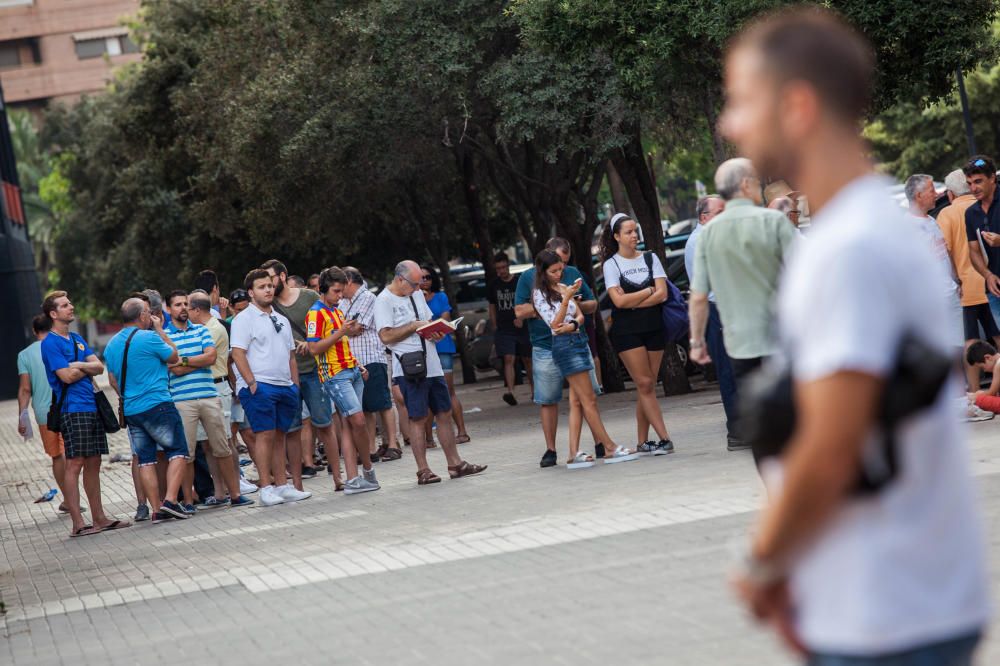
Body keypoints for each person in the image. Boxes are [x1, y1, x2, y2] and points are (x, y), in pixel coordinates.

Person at [722, 8, 989, 664]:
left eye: (741, 101)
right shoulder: (878, 230)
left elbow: (832, 444)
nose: (731, 124)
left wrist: (762, 562)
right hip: (902, 595)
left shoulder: (847, 249)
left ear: (798, 105)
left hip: (884, 612)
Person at [374, 260, 486, 485]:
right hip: (409, 367)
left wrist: (436, 332)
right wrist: (413, 326)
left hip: (432, 363)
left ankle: (455, 464)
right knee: (418, 417)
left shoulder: (415, 295)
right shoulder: (384, 300)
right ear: (399, 279)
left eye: (420, 283)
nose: (418, 288)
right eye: (415, 284)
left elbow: (426, 323)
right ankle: (423, 470)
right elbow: (385, 336)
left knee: (443, 412)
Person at [688, 158, 798, 386]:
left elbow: (698, 296)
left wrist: (697, 342)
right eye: (757, 182)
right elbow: (803, 272)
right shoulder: (774, 221)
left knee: (755, 406)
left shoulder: (707, 235)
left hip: (739, 342)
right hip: (780, 335)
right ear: (746, 185)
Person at [532, 250, 636, 467]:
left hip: (578, 340)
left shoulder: (562, 288)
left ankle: (573, 453)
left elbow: (578, 315)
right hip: (565, 346)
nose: (559, 274)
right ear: (543, 272)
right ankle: (609, 446)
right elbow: (554, 324)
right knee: (588, 398)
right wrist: (567, 300)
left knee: (578, 401)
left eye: (561, 269)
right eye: (554, 271)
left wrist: (573, 322)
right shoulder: (539, 294)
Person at [40, 291, 131, 537]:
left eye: (70, 303)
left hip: (91, 406)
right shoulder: (50, 343)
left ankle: (99, 517)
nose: (71, 307)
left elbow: (98, 366)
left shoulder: (77, 338)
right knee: (75, 463)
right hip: (72, 409)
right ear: (53, 313)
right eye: (65, 305)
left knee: (94, 461)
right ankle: (78, 523)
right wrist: (85, 367)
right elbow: (65, 377)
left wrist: (79, 365)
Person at [103, 297, 195, 522]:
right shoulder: (150, 338)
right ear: (143, 315)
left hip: (132, 410)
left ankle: (155, 509)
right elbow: (174, 355)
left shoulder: (111, 345)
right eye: (148, 313)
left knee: (145, 459)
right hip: (158, 404)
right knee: (179, 451)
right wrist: (161, 330)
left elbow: (113, 379)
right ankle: (170, 501)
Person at [515, 237, 602, 467]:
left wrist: (574, 304)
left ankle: (598, 443)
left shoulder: (572, 274)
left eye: (564, 265)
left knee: (586, 397)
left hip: (575, 342)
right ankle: (551, 449)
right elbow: (521, 311)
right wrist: (550, 304)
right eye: (556, 266)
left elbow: (591, 306)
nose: (561, 271)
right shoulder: (528, 279)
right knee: (548, 398)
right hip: (545, 345)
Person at [230, 268, 311, 507]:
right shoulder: (244, 319)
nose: (267, 290)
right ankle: (266, 487)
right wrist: (252, 383)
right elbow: (237, 353)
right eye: (261, 287)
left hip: (285, 385)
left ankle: (282, 486)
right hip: (260, 386)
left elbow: (291, 356)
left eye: (269, 285)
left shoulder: (281, 319)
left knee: (280, 436)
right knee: (264, 434)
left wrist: (294, 386)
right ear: (251, 292)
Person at [601, 213, 675, 455]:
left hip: (654, 328)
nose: (634, 236)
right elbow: (618, 302)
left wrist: (633, 300)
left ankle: (643, 442)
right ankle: (664, 438)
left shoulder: (651, 258)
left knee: (649, 386)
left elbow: (662, 294)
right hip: (627, 332)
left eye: (635, 231)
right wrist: (647, 291)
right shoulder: (611, 265)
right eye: (628, 232)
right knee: (644, 383)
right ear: (616, 236)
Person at [263, 259, 338, 483]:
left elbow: (330, 325)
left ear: (283, 276)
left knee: (325, 424)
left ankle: (339, 478)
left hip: (315, 371)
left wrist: (313, 342)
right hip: (287, 376)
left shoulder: (309, 297)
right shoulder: (267, 306)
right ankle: (297, 485)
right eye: (264, 281)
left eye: (271, 278)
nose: (268, 285)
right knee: (292, 430)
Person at [307, 266, 379, 494]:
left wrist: (356, 363)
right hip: (335, 376)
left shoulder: (336, 311)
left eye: (341, 291)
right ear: (323, 289)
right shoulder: (315, 313)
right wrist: (341, 332)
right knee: (357, 421)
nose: (340, 296)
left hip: (351, 371)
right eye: (336, 292)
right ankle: (367, 472)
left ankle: (354, 479)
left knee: (350, 425)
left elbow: (342, 344)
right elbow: (314, 347)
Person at [684, 194, 746, 451]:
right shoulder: (700, 241)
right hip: (717, 309)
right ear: (704, 217)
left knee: (740, 370)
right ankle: (737, 432)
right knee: (729, 372)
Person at [187, 291, 255, 507]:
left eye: (188, 308)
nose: (185, 312)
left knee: (225, 441)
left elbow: (202, 357)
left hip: (217, 386)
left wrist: (182, 361)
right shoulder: (201, 328)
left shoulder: (214, 328)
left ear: (197, 310)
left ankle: (236, 485)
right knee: (208, 445)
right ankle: (219, 491)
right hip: (207, 388)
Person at [939, 168, 1000, 390]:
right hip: (991, 283)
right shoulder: (982, 208)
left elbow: (943, 251)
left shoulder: (947, 214)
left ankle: (975, 391)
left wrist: (953, 280)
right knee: (998, 336)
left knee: (971, 342)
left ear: (950, 193)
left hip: (967, 289)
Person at [342, 266, 402, 462]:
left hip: (371, 357)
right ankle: (370, 448)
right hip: (353, 360)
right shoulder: (343, 301)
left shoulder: (368, 298)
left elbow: (357, 327)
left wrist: (343, 328)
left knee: (383, 403)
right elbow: (343, 327)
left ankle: (393, 443)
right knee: (365, 407)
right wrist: (344, 328)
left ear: (349, 281)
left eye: (341, 282)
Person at [905, 174, 964, 350]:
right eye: (932, 190)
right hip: (935, 300)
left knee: (959, 348)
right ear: (918, 196)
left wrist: (956, 280)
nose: (937, 194)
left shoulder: (931, 221)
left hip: (951, 294)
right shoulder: (906, 227)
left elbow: (944, 253)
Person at [17, 314, 69, 510]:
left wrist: (22, 416)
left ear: (33, 331)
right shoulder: (61, 346)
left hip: (43, 412)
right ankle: (74, 498)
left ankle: (67, 499)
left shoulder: (24, 355)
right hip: (67, 405)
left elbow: (25, 389)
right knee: (70, 453)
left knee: (57, 455)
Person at [419, 265, 470, 444]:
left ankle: (462, 431)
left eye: (428, 277)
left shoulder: (440, 297)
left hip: (442, 348)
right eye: (421, 277)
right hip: (423, 351)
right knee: (425, 393)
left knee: (449, 392)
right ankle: (428, 438)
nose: (424, 281)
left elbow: (445, 321)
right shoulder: (412, 299)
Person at [488, 252, 532, 406]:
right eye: (498, 268)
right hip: (504, 328)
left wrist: (521, 318)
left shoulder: (519, 282)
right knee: (509, 358)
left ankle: (535, 391)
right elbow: (492, 305)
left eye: (503, 267)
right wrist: (494, 324)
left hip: (522, 326)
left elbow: (528, 302)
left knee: (528, 360)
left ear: (508, 266)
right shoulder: (494, 285)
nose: (501, 271)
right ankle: (511, 392)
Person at [964, 155, 1000, 326]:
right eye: (969, 183)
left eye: (978, 181)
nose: (973, 188)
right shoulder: (971, 213)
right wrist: (988, 275)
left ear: (992, 178)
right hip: (995, 291)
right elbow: (973, 250)